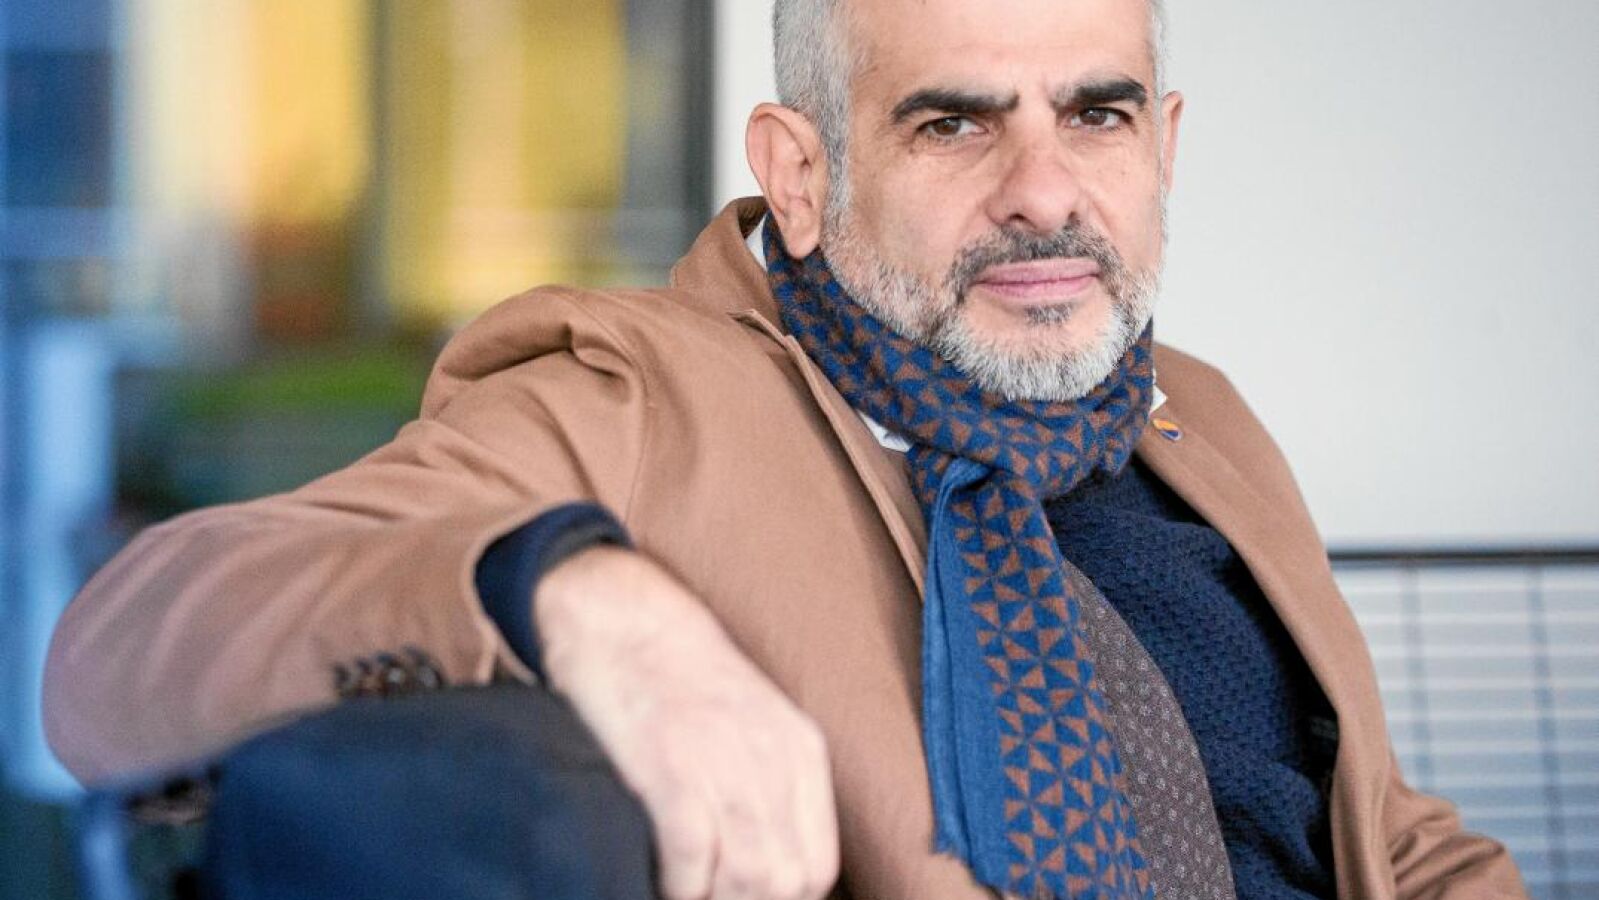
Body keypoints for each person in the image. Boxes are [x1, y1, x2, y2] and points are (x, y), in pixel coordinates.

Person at [44, 0, 1527, 898]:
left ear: (1166, 146)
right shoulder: (641, 397)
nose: (1044, 190)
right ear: (800, 174)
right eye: (953, 126)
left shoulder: (1198, 415)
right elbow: (117, 651)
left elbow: (1391, 839)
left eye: (1098, 114)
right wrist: (574, 597)